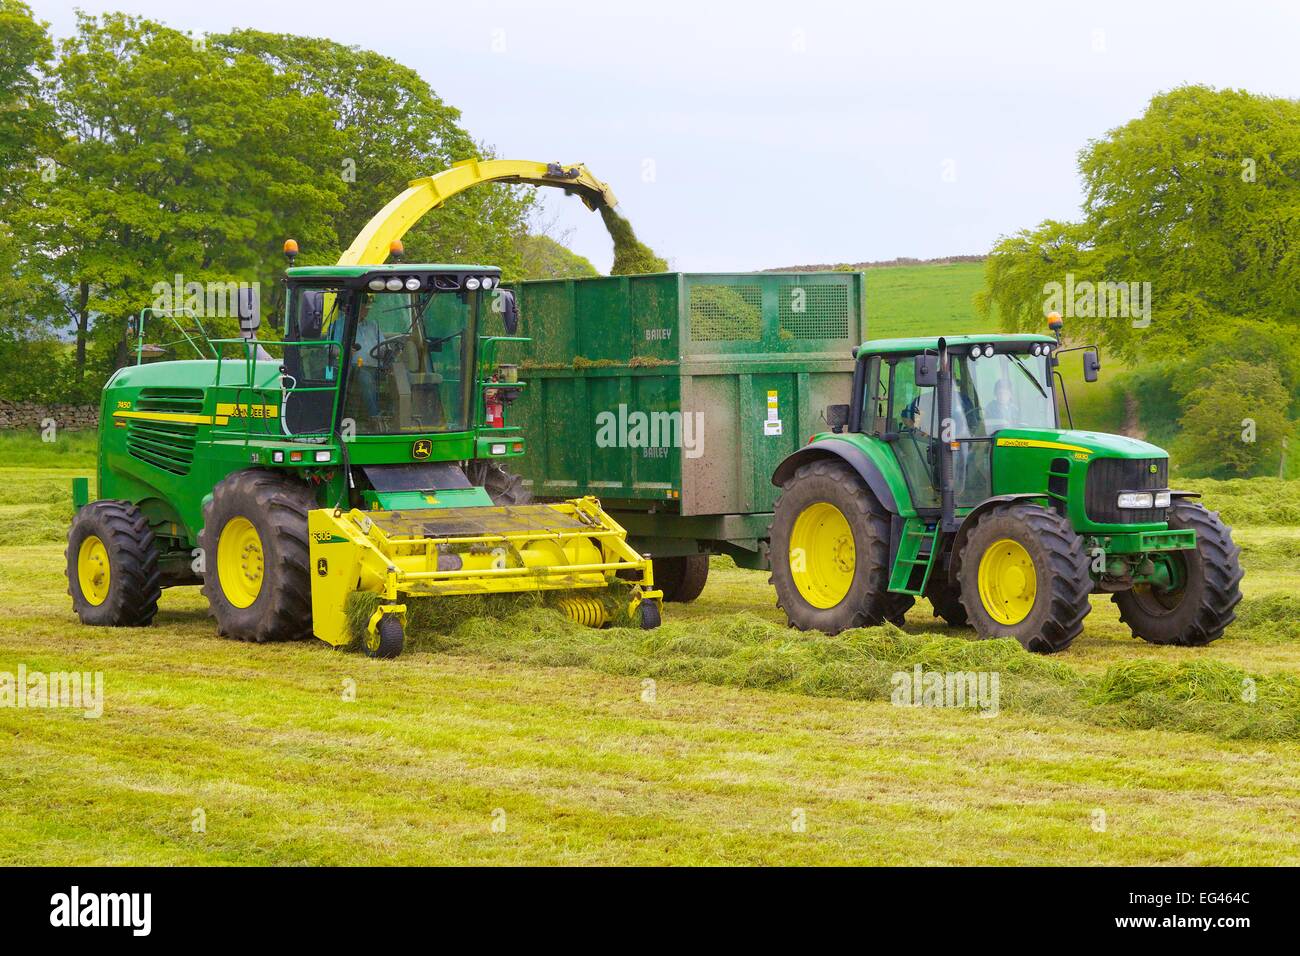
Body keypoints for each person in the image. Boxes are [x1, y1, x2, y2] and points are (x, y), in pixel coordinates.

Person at [350, 300, 383, 420]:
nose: (367, 309)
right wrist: (346, 350)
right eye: (364, 306)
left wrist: (385, 351)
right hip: (354, 367)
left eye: (367, 307)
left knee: (402, 375)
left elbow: (383, 345)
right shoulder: (340, 324)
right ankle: (375, 416)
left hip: (377, 366)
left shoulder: (373, 325)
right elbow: (331, 349)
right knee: (366, 378)